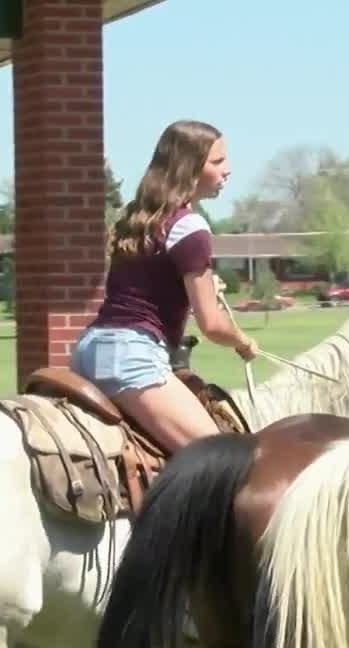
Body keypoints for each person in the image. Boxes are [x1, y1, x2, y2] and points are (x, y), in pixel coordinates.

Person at [69, 119, 258, 454]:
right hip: (132, 356)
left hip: (89, 349)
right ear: (189, 168)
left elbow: (148, 282)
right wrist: (243, 342)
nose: (227, 170)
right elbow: (212, 325)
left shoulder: (137, 218)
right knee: (222, 461)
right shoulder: (190, 227)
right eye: (217, 162)